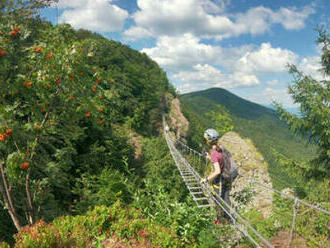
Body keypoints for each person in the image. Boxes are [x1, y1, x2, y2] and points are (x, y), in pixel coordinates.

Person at [201, 128, 232, 220]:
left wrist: (206, 180)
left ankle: (219, 220)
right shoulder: (221, 148)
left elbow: (217, 171)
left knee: (217, 200)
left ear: (209, 141)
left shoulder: (214, 153)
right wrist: (210, 158)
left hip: (219, 181)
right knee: (226, 198)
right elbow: (220, 161)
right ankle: (228, 218)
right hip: (227, 177)